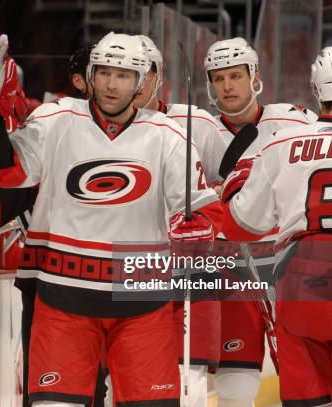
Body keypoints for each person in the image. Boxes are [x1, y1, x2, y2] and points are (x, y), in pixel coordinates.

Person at [0, 30, 222, 406]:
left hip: (142, 304)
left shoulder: (168, 135)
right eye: (104, 72)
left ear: (140, 83)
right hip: (64, 299)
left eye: (122, 75)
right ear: (90, 75)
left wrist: (199, 228)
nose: (111, 84)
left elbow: (201, 209)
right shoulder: (55, 119)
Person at [222, 44, 332, 407]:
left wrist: (233, 183)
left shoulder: (281, 142)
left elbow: (241, 226)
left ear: (315, 90)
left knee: (307, 399)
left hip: (298, 280)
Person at [204, 37, 317, 407]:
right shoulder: (201, 131)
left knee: (304, 374)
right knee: (235, 384)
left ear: (255, 77)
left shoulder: (294, 120)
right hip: (230, 266)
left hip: (288, 265)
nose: (227, 86)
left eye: (235, 75)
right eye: (218, 78)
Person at [134, 34, 228, 407]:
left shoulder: (198, 123)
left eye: (145, 72)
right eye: (127, 73)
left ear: (159, 76)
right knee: (136, 380)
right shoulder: (100, 129)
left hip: (193, 268)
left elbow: (231, 182)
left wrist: (209, 215)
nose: (137, 82)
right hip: (136, 267)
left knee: (190, 381)